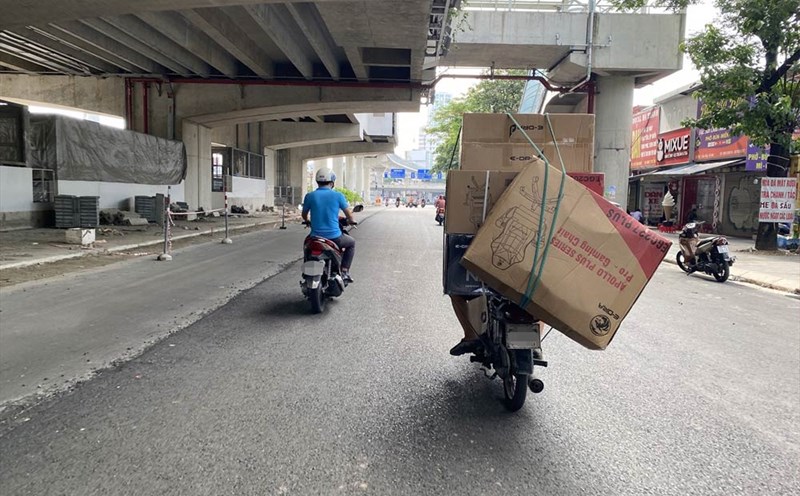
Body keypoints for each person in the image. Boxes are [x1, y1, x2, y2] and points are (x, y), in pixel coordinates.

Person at [301, 167, 357, 283]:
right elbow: (349, 215)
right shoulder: (338, 196)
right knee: (351, 243)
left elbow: (304, 214)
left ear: (317, 182)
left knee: (306, 246)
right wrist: (351, 221)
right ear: (332, 183)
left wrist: (307, 221)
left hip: (315, 237)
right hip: (334, 237)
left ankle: (307, 269)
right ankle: (345, 271)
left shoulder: (310, 196)